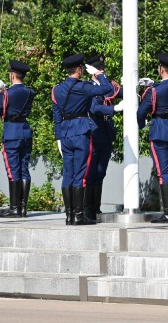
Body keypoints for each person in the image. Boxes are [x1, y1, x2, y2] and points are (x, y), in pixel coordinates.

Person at [51, 53, 119, 225]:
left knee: (68, 175)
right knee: (80, 175)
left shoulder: (56, 89)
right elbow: (107, 89)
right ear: (80, 70)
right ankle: (78, 215)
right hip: (81, 131)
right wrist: (99, 74)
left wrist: (58, 137)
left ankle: (69, 216)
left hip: (65, 132)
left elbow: (57, 116)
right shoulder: (82, 87)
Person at [137, 51, 168, 224]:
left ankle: (167, 214)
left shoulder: (154, 91)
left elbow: (141, 111)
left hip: (159, 131)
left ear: (161, 69)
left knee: (163, 172)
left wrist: (142, 125)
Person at [0, 60, 35, 218]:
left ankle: (14, 208)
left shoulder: (6, 94)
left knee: (13, 171)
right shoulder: (30, 92)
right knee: (24, 169)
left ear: (11, 75)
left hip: (11, 132)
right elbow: (18, 96)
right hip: (25, 131)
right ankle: (22, 208)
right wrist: (5, 89)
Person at [86, 52, 122, 222]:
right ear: (92, 71)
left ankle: (96, 208)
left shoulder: (108, 85)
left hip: (106, 132)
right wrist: (113, 109)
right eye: (98, 69)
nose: (102, 71)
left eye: (103, 68)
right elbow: (94, 108)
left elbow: (121, 92)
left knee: (101, 172)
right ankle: (88, 209)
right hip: (94, 130)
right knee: (91, 171)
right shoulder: (88, 87)